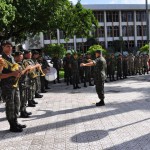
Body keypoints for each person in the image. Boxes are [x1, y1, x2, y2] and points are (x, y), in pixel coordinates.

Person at [0, 41, 26, 132]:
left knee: (17, 104)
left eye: (11, 46)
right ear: (3, 47)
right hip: (7, 86)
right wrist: (12, 74)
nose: (10, 48)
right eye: (8, 46)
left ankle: (15, 121)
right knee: (10, 106)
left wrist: (18, 72)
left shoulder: (11, 57)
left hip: (15, 85)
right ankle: (12, 125)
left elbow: (15, 69)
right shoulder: (1, 58)